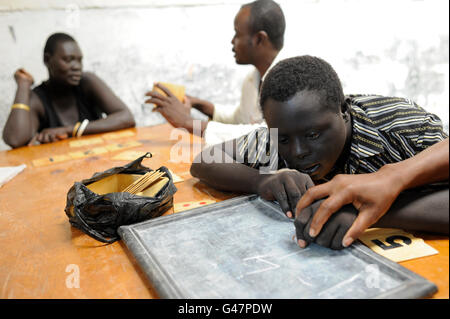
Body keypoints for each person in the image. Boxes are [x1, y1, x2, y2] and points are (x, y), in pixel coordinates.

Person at [190, 55, 449, 250]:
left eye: (314, 135)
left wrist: (364, 212)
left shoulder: (403, 127)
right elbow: (204, 160)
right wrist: (261, 180)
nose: (298, 152)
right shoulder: (282, 137)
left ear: (344, 111)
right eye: (284, 139)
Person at [145, 0, 286, 145]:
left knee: (204, 164)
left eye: (237, 34)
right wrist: (197, 104)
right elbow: (241, 121)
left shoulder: (289, 80)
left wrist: (188, 122)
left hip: (281, 167)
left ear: (259, 39)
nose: (232, 41)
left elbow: (267, 136)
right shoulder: (253, 78)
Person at [3, 33, 135, 149]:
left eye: (79, 60)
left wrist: (69, 130)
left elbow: (126, 117)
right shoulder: (37, 98)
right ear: (47, 59)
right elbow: (15, 139)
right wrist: (23, 85)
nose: (77, 67)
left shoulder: (87, 82)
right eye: (68, 60)